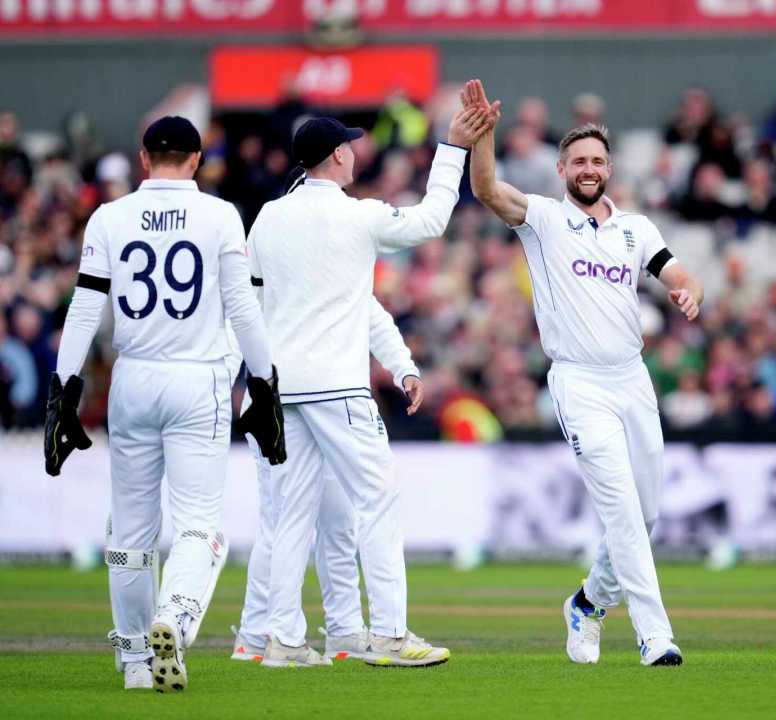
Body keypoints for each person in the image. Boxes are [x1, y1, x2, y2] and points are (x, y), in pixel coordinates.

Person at [463, 79, 703, 667]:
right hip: (578, 382)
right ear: (562, 168)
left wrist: (689, 292)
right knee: (621, 510)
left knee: (645, 516)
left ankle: (588, 603)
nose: (589, 169)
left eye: (597, 160)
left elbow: (677, 274)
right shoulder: (543, 218)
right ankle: (655, 635)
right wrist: (485, 137)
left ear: (610, 167)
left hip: (632, 378)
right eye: (579, 161)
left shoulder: (635, 229)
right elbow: (487, 190)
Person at [44, 116, 285, 692]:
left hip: (133, 378)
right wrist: (264, 382)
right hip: (197, 378)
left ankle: (132, 663)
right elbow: (243, 310)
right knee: (199, 526)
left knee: (130, 534)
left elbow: (84, 309)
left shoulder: (110, 216)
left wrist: (63, 387)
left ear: (144, 158)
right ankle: (172, 618)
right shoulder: (220, 215)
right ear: (198, 160)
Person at [248, 104, 493, 668]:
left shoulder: (267, 218)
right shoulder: (358, 217)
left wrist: (398, 361)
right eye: (351, 145)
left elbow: (255, 302)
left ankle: (283, 640)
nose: (357, 151)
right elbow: (432, 221)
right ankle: (388, 633)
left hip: (283, 390)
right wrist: (452, 147)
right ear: (337, 154)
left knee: (292, 514)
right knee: (377, 502)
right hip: (337, 387)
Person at [230, 297, 423, 663]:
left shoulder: (275, 246)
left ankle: (339, 629)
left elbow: (365, 307)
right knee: (288, 517)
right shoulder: (303, 248)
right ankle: (261, 633)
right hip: (309, 395)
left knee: (333, 521)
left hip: (286, 395)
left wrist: (402, 367)